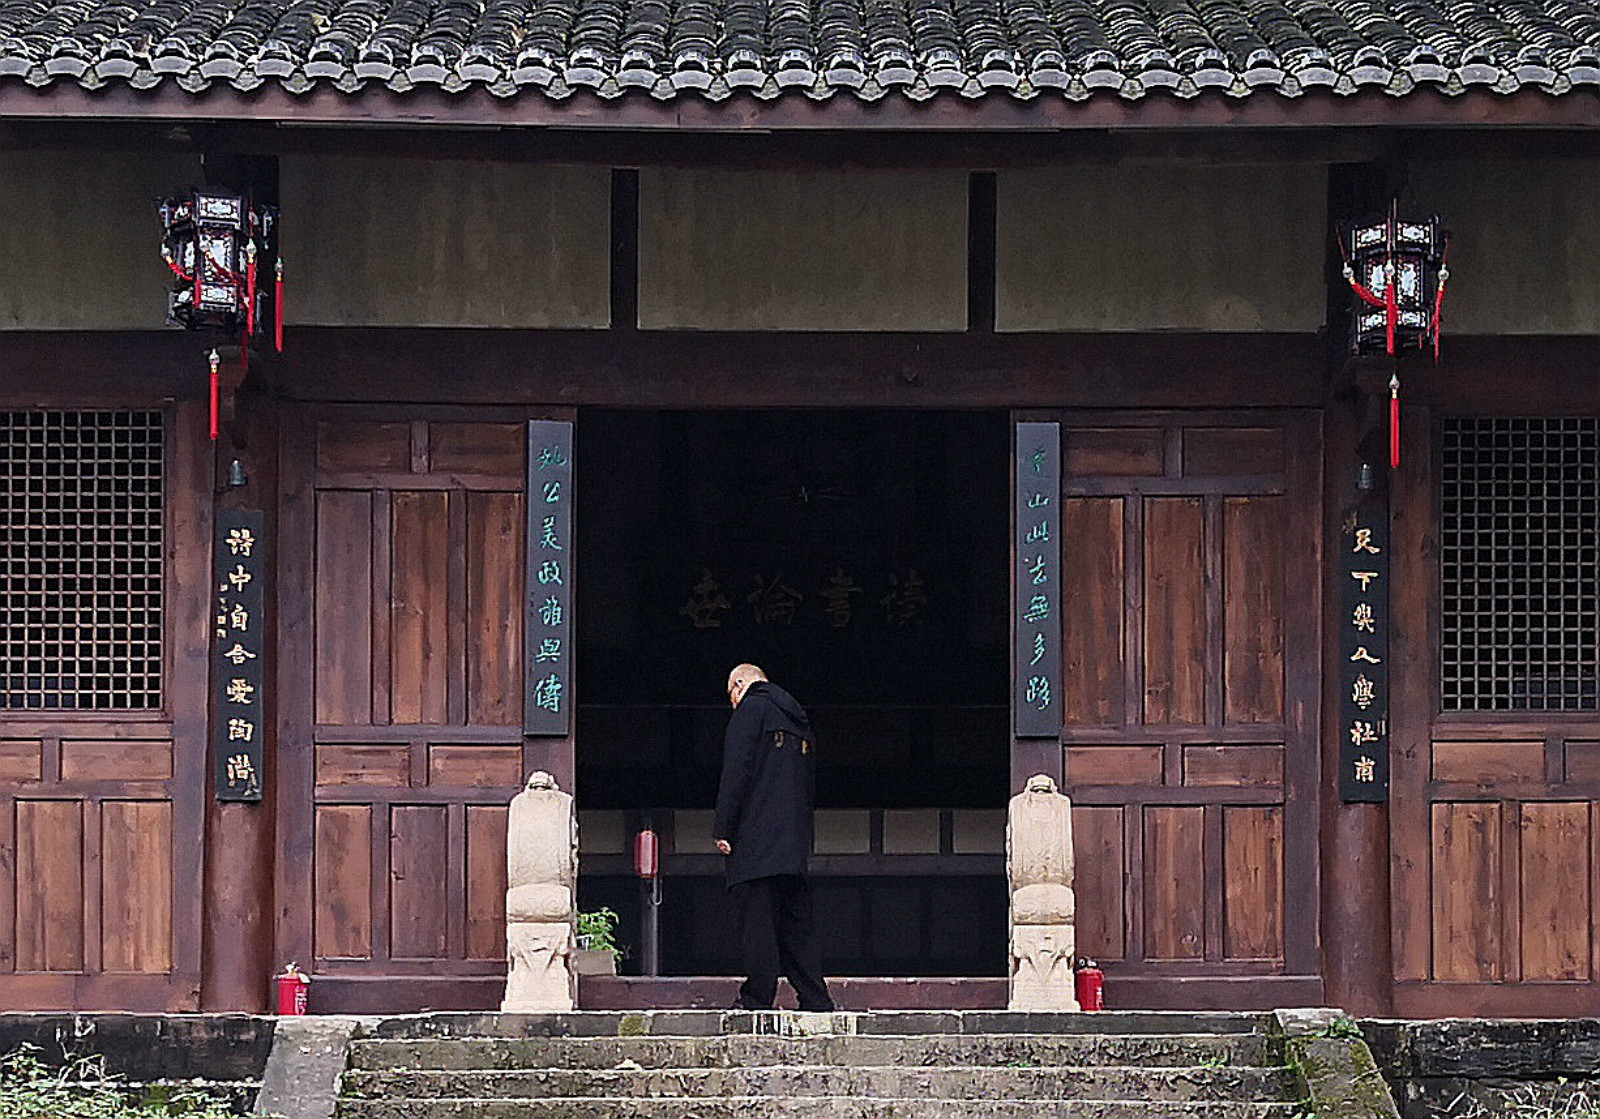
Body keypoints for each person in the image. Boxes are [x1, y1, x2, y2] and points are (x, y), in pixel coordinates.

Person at [712, 663, 835, 1012]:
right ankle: (816, 999)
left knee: (757, 923)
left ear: (740, 684)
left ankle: (757, 998)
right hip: (792, 845)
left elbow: (736, 771)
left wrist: (724, 828)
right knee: (796, 926)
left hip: (755, 840)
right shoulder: (798, 718)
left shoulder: (751, 710)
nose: (732, 703)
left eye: (731, 695)